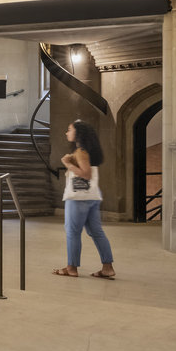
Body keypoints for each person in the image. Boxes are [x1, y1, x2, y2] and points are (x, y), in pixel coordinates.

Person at [53, 118, 115, 279]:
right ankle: (107, 267)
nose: (67, 132)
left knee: (72, 232)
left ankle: (71, 268)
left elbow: (86, 174)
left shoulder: (81, 151)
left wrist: (67, 163)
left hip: (78, 197)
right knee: (96, 232)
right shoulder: (88, 151)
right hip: (92, 195)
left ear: (78, 133)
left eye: (70, 129)